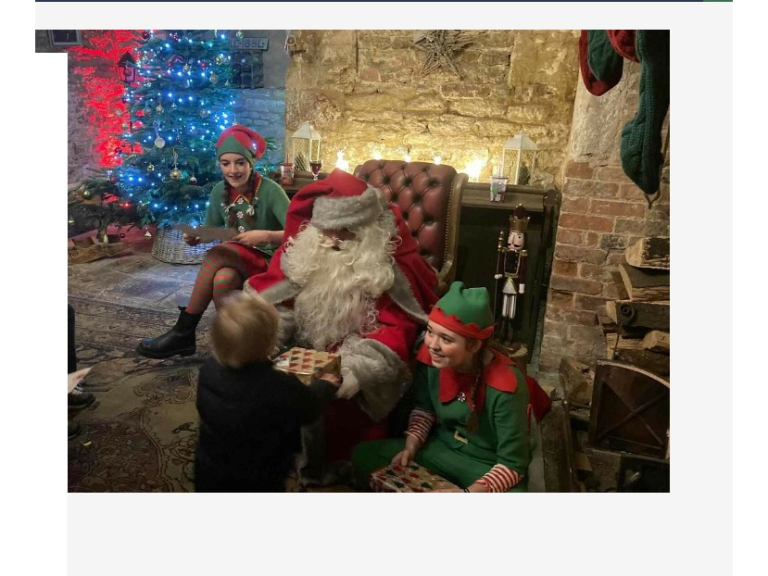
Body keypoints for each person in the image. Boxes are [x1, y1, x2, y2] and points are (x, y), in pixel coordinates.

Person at [244, 168, 439, 473]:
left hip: (358, 353)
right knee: (260, 387)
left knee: (335, 405)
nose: (334, 239)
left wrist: (353, 370)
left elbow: (397, 330)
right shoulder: (304, 253)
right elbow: (280, 305)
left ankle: (328, 469)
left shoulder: (382, 269)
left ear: (367, 230)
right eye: (327, 229)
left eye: (346, 230)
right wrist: (267, 342)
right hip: (304, 350)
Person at [352, 281, 544, 492]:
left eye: (446, 339)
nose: (432, 345)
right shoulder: (431, 361)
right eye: (430, 332)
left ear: (474, 345)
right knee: (365, 454)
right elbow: (424, 409)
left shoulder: (506, 385)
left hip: (485, 464)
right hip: (441, 450)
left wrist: (467, 494)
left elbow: (513, 464)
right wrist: (411, 446)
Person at [137, 125, 290, 359]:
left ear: (251, 163)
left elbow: (300, 231)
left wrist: (266, 235)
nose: (233, 170)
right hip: (238, 259)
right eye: (226, 163)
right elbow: (215, 230)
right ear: (219, 164)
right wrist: (198, 236)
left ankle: (184, 331)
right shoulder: (219, 191)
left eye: (240, 162)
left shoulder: (271, 191)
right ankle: (236, 344)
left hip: (272, 261)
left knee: (218, 254)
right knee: (222, 277)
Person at [194, 291, 341, 492]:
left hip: (210, 470)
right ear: (270, 345)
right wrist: (326, 384)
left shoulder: (208, 370)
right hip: (259, 477)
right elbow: (310, 407)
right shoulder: (278, 384)